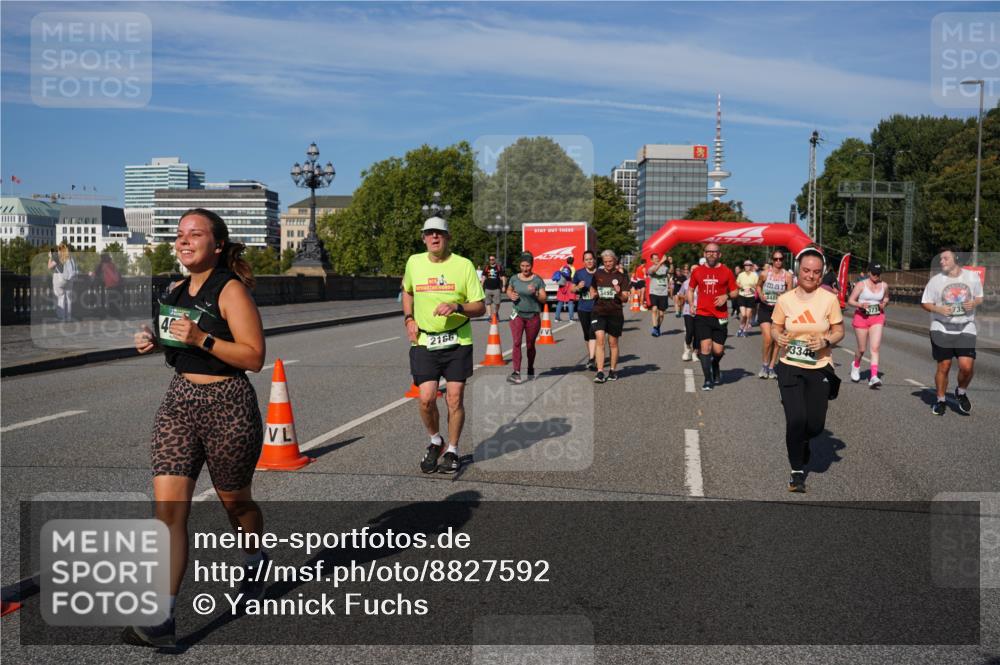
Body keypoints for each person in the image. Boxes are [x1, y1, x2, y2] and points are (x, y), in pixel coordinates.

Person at [125, 209, 267, 647]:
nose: (185, 241)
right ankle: (161, 619)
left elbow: (254, 357)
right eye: (181, 235)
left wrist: (201, 338)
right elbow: (178, 342)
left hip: (229, 406)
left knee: (237, 506)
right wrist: (154, 339)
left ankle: (255, 559)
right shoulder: (175, 289)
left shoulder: (232, 291)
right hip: (180, 403)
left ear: (217, 245)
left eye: (196, 234)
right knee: (168, 512)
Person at [402, 216, 486, 474]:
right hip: (425, 341)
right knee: (426, 399)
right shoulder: (414, 262)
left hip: (457, 340)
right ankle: (435, 440)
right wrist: (409, 318)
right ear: (423, 237)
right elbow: (407, 291)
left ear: (448, 237)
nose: (434, 237)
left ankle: (452, 449)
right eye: (429, 233)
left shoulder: (464, 265)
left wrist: (457, 306)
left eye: (439, 233)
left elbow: (480, 307)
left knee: (454, 398)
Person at [771, 247, 845, 493]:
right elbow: (775, 327)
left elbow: (839, 331)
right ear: (797, 270)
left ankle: (804, 443)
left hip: (819, 366)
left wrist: (826, 341)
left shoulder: (829, 300)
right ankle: (796, 471)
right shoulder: (785, 300)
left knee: (814, 426)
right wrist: (778, 337)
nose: (811, 276)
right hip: (790, 365)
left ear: (821, 273)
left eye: (816, 272)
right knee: (795, 420)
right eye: (806, 270)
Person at [921, 248, 983, 416]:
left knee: (967, 367)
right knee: (944, 365)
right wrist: (938, 309)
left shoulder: (972, 277)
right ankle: (940, 400)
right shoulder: (935, 281)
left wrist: (974, 303)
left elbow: (979, 296)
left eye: (945, 258)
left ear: (955, 259)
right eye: (940, 259)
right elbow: (925, 302)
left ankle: (960, 392)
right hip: (941, 327)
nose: (942, 262)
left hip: (965, 327)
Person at [688, 243, 737, 390]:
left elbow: (735, 292)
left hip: (720, 316)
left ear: (719, 255)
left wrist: (726, 296)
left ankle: (715, 364)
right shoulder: (697, 271)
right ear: (704, 254)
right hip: (702, 314)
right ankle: (707, 380)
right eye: (708, 252)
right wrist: (691, 304)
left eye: (714, 252)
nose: (711, 254)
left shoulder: (727, 271)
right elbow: (690, 289)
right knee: (705, 347)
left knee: (718, 350)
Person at [506, 253, 547, 384]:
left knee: (530, 345)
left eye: (528, 266)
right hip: (517, 314)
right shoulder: (514, 278)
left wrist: (535, 293)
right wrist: (510, 295)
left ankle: (530, 368)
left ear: (532, 265)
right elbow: (509, 289)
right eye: (523, 266)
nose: (525, 269)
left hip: (533, 316)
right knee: (517, 342)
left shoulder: (537, 280)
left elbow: (544, 298)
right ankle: (516, 372)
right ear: (520, 265)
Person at [847, 262, 889, 388]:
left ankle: (874, 376)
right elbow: (850, 301)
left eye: (878, 273)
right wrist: (860, 305)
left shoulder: (884, 285)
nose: (876, 276)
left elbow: (886, 298)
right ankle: (856, 365)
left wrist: (883, 304)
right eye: (874, 273)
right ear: (869, 272)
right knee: (861, 349)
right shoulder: (861, 284)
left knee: (875, 348)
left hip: (877, 317)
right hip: (861, 318)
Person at [590, 249, 629, 382]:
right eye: (605, 262)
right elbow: (592, 288)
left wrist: (618, 293)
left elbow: (625, 299)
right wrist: (593, 294)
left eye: (610, 261)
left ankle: (612, 371)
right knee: (599, 339)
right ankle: (600, 372)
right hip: (599, 311)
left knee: (613, 342)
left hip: (615, 312)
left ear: (615, 261)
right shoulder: (597, 274)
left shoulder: (622, 276)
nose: (607, 264)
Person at [756, 250, 794, 379]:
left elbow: (790, 294)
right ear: (772, 260)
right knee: (768, 338)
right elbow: (758, 286)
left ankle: (772, 367)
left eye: (780, 259)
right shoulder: (765, 273)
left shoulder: (788, 276)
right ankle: (764, 365)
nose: (778, 261)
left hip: (779, 311)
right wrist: (761, 295)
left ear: (784, 260)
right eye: (776, 259)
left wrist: (783, 296)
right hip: (765, 308)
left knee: (777, 341)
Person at [573, 250, 599, 371]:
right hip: (583, 307)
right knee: (587, 334)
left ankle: (593, 358)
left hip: (598, 307)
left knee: (594, 332)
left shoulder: (600, 273)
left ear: (594, 260)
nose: (589, 261)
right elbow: (572, 289)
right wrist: (578, 287)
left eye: (591, 259)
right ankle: (592, 357)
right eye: (586, 259)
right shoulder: (579, 274)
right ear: (584, 262)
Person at [47, 243, 77, 322]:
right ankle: (69, 317)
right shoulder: (70, 257)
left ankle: (61, 317)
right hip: (69, 279)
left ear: (59, 250)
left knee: (60, 297)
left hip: (59, 278)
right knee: (69, 298)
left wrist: (50, 257)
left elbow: (49, 267)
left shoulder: (58, 257)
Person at [647, 253, 672, 336]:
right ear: (651, 260)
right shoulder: (651, 268)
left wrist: (671, 263)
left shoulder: (665, 268)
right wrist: (661, 262)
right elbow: (653, 271)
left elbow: (671, 271)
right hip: (654, 292)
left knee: (661, 314)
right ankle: (654, 328)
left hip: (663, 293)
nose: (657, 259)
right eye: (655, 258)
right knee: (654, 309)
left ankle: (658, 327)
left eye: (657, 258)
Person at [92, 252, 124, 317]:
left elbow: (96, 273)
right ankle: (116, 314)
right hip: (118, 285)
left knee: (111, 300)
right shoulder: (112, 264)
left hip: (110, 285)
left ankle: (114, 314)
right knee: (116, 300)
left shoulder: (103, 265)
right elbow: (118, 274)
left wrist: (91, 274)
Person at [736, 260, 758, 338]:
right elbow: (737, 283)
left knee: (748, 315)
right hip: (742, 296)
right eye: (745, 265)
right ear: (744, 266)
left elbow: (757, 285)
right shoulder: (741, 275)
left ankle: (744, 330)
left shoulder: (754, 275)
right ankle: (741, 327)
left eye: (749, 265)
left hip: (751, 297)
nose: (747, 266)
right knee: (743, 314)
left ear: (751, 266)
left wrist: (751, 289)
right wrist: (742, 287)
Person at [481, 254, 506, 321]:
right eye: (490, 259)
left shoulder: (499, 267)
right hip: (487, 288)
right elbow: (483, 277)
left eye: (492, 259)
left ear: (495, 260)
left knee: (497, 303)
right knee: (488, 303)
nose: (491, 261)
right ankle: (489, 316)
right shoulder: (486, 268)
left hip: (496, 288)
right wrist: (481, 285)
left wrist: (503, 286)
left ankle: (496, 313)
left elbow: (503, 277)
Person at [554, 257, 576, 322]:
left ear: (567, 261)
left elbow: (560, 276)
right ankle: (571, 318)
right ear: (573, 262)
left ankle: (557, 318)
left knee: (560, 301)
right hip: (569, 284)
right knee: (570, 302)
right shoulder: (573, 268)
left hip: (562, 285)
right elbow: (572, 277)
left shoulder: (562, 267)